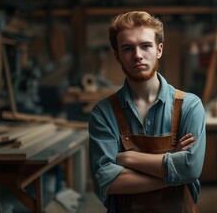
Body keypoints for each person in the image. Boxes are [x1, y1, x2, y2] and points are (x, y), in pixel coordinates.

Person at [88, 11, 206, 212]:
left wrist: (127, 159)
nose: (137, 55)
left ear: (159, 50)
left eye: (145, 46)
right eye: (127, 48)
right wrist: (173, 172)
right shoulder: (103, 113)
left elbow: (191, 168)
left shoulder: (189, 106)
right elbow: (106, 180)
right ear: (117, 56)